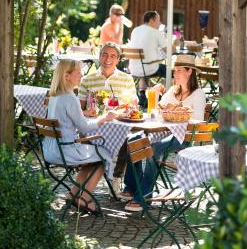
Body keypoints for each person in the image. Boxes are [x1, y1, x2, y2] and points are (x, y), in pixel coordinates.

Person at [121, 54, 206, 212]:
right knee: (133, 139)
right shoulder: (173, 91)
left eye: (180, 70)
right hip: (165, 132)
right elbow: (157, 111)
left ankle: (144, 196)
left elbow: (197, 122)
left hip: (184, 137)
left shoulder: (198, 94)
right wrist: (154, 95)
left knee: (153, 148)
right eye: (175, 70)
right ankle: (132, 187)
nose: (175, 73)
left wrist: (178, 114)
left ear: (189, 72)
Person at [43, 59, 116, 214]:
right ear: (67, 76)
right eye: (78, 72)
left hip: (50, 150)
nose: (81, 75)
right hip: (65, 151)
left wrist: (83, 113)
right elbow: (84, 127)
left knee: (91, 159)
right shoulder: (70, 98)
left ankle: (73, 194)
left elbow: (64, 118)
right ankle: (84, 199)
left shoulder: (55, 96)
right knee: (103, 155)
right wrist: (105, 118)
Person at [78, 42, 137, 197]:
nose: (107, 59)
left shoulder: (126, 79)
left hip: (118, 125)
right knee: (87, 139)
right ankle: (86, 181)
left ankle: (116, 178)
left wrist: (125, 110)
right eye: (104, 54)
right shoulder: (87, 80)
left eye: (112, 56)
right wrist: (87, 112)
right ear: (99, 57)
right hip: (94, 126)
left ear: (118, 59)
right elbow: (79, 110)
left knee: (129, 139)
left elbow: (133, 106)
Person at [127, 11, 168, 107]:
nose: (160, 23)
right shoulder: (155, 32)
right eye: (158, 20)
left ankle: (142, 95)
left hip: (134, 69)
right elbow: (168, 51)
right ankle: (166, 97)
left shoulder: (135, 30)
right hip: (148, 68)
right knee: (172, 72)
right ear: (152, 20)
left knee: (144, 66)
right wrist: (175, 44)